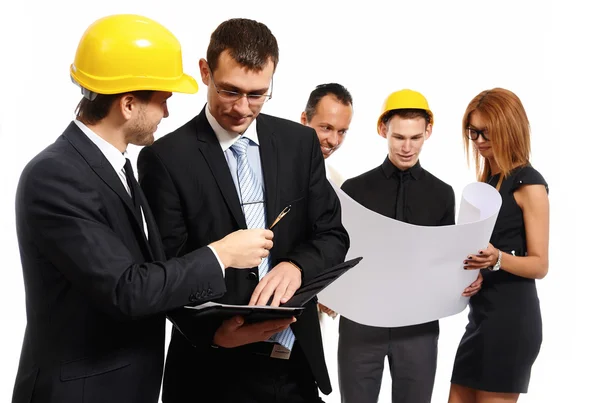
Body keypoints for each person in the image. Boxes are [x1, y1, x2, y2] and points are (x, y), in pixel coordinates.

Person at [11, 14, 276, 403]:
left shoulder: (117, 166)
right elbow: (126, 289)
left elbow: (155, 272)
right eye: (163, 99)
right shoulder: (56, 175)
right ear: (129, 104)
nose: (167, 113)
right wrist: (221, 255)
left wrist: (211, 328)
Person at [137, 18, 350, 403]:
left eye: (257, 94)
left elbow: (332, 234)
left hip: (295, 363)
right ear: (205, 72)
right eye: (230, 90)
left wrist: (296, 266)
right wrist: (213, 334)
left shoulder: (299, 143)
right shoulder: (163, 159)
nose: (241, 108)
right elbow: (165, 270)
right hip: (211, 370)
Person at [337, 89, 483, 403]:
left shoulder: (442, 193)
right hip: (362, 325)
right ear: (382, 131)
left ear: (428, 132)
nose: (407, 147)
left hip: (418, 327)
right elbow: (339, 252)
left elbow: (446, 258)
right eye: (399, 137)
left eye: (415, 137)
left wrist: (468, 275)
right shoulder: (353, 189)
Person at [448, 88, 549, 403]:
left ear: (509, 128)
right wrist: (475, 272)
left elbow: (540, 264)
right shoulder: (488, 183)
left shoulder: (529, 184)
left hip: (511, 321)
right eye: (473, 131)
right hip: (480, 318)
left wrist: (496, 261)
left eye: (486, 132)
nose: (478, 140)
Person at [300, 82, 353, 319]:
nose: (334, 140)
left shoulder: (339, 183)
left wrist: (334, 291)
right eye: (326, 128)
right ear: (304, 120)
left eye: (342, 131)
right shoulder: (273, 169)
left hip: (313, 313)